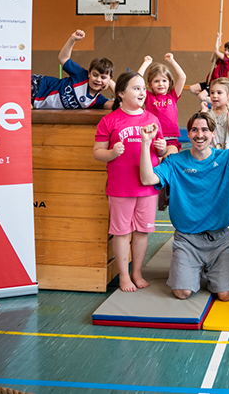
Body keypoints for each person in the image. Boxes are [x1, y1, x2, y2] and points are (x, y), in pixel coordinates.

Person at [139, 109, 229, 301]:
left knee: (225, 295)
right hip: (187, 239)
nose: (200, 135)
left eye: (205, 130)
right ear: (188, 133)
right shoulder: (175, 161)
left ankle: (206, 268)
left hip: (219, 239)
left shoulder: (228, 158)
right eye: (195, 130)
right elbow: (147, 178)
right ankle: (192, 267)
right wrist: (145, 143)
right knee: (182, 293)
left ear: (213, 134)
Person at [93, 71, 165, 292]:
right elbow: (97, 152)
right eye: (136, 88)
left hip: (147, 188)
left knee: (142, 232)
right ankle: (124, 276)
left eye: (144, 88)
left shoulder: (152, 119)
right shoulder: (109, 120)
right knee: (122, 232)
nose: (142, 92)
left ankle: (137, 272)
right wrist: (112, 152)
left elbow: (160, 152)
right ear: (121, 93)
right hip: (121, 188)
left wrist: (161, 149)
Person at [31, 29, 113, 109]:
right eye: (95, 75)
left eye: (103, 77)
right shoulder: (81, 74)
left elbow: (120, 104)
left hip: (37, 102)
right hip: (38, 86)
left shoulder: (97, 100)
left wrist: (111, 83)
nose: (98, 79)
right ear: (89, 73)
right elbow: (63, 58)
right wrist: (72, 39)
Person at [138, 53, 187, 159]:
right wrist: (146, 63)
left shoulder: (173, 96)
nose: (161, 84)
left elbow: (182, 77)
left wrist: (172, 61)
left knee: (170, 160)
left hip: (171, 140)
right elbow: (137, 80)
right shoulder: (149, 97)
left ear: (169, 83)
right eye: (156, 81)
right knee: (153, 162)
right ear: (150, 84)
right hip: (153, 138)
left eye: (164, 81)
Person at [188, 33, 229, 105]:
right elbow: (212, 59)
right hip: (210, 81)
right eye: (225, 50)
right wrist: (216, 50)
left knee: (201, 96)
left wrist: (217, 39)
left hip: (217, 83)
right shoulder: (221, 59)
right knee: (192, 89)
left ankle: (218, 102)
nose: (226, 52)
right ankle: (209, 98)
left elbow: (217, 52)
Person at [200, 78, 229, 150]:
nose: (214, 95)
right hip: (212, 154)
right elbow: (200, 128)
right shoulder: (209, 113)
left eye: (219, 93)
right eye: (212, 92)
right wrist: (203, 110)